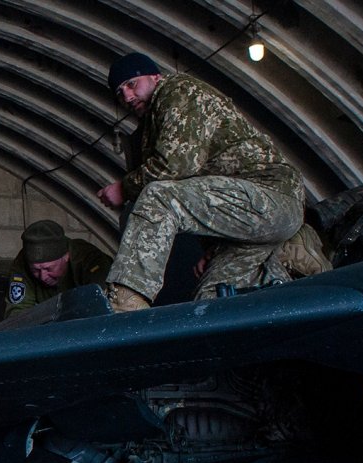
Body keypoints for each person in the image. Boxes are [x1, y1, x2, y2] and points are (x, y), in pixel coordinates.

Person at [98, 52, 306, 311]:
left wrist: (124, 187)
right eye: (120, 93)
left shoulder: (178, 91)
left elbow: (176, 165)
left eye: (132, 84)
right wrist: (214, 247)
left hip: (272, 197)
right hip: (250, 218)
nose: (127, 96)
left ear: (155, 77)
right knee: (209, 304)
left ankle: (126, 301)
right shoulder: (152, 124)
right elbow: (207, 191)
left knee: (160, 196)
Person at [3, 220, 113, 317]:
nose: (43, 276)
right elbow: (17, 313)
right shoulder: (22, 263)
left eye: (49, 269)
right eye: (35, 270)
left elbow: (103, 308)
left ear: (66, 256)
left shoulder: (89, 260)